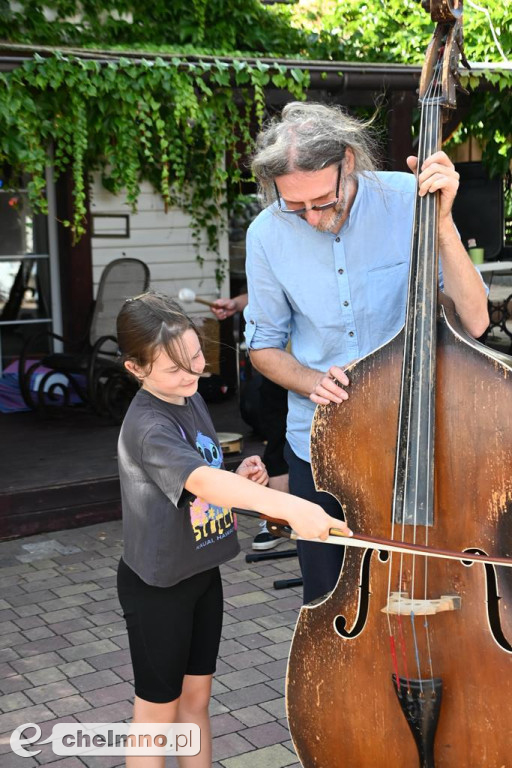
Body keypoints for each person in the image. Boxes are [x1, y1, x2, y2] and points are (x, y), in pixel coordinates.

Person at [244, 101, 489, 605]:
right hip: (322, 446)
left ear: (348, 161)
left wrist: (441, 221)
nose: (312, 218)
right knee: (330, 599)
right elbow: (263, 347)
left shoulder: (410, 199)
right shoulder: (266, 234)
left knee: (430, 595)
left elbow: (476, 320)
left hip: (420, 438)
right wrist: (309, 379)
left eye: (323, 201)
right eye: (296, 206)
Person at [115, 291, 350, 768]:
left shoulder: (189, 396)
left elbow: (205, 476)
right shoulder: (147, 426)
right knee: (157, 715)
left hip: (201, 573)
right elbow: (199, 478)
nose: (192, 373)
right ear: (135, 370)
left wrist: (240, 479)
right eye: (174, 368)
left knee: (196, 701)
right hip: (158, 587)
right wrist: (289, 505)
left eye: (195, 357)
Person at [211, 293, 288, 550]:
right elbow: (265, 291)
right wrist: (236, 304)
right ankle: (277, 521)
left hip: (324, 366)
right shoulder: (273, 254)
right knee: (278, 440)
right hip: (281, 364)